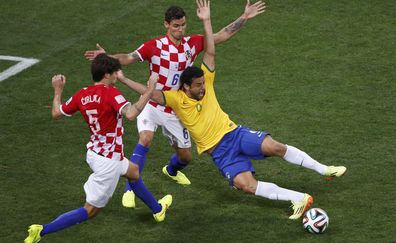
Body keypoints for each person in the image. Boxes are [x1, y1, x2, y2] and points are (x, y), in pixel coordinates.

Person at [119, 0, 347, 220]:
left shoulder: (204, 79)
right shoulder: (175, 99)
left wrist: (212, 20)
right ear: (186, 86)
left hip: (234, 133)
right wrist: (124, 78)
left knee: (275, 146)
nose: (203, 88)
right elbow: (153, 94)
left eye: (203, 83)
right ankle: (300, 199)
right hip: (219, 152)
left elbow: (211, 51)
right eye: (198, 86)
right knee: (245, 185)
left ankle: (324, 169)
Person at [85, 0, 267, 209]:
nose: (180, 30)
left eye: (183, 25)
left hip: (177, 108)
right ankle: (129, 189)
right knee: (145, 138)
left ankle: (171, 171)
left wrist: (244, 17)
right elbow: (128, 57)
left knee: (185, 156)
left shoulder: (193, 43)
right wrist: (107, 57)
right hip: (153, 102)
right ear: (166, 25)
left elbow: (220, 36)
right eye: (176, 26)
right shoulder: (154, 46)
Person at [24, 54, 172, 243]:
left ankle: (158, 210)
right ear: (107, 75)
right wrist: (150, 89)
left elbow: (56, 112)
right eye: (115, 74)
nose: (117, 77)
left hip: (95, 152)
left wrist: (58, 90)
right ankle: (42, 231)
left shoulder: (81, 94)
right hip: (108, 161)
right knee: (90, 210)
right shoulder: (111, 93)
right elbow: (131, 114)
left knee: (133, 172)